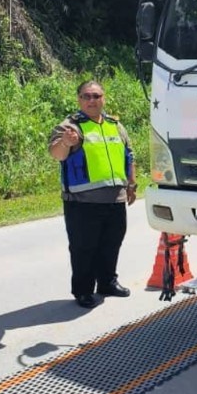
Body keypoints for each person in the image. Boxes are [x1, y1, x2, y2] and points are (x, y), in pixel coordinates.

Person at [48, 79, 137, 308]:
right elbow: (56, 154)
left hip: (115, 199)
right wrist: (66, 143)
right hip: (82, 203)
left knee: (111, 244)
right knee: (83, 248)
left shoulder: (115, 125)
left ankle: (107, 283)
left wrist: (131, 184)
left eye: (96, 96)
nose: (91, 100)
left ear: (103, 98)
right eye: (86, 96)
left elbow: (129, 156)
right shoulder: (70, 126)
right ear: (79, 99)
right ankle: (83, 291)